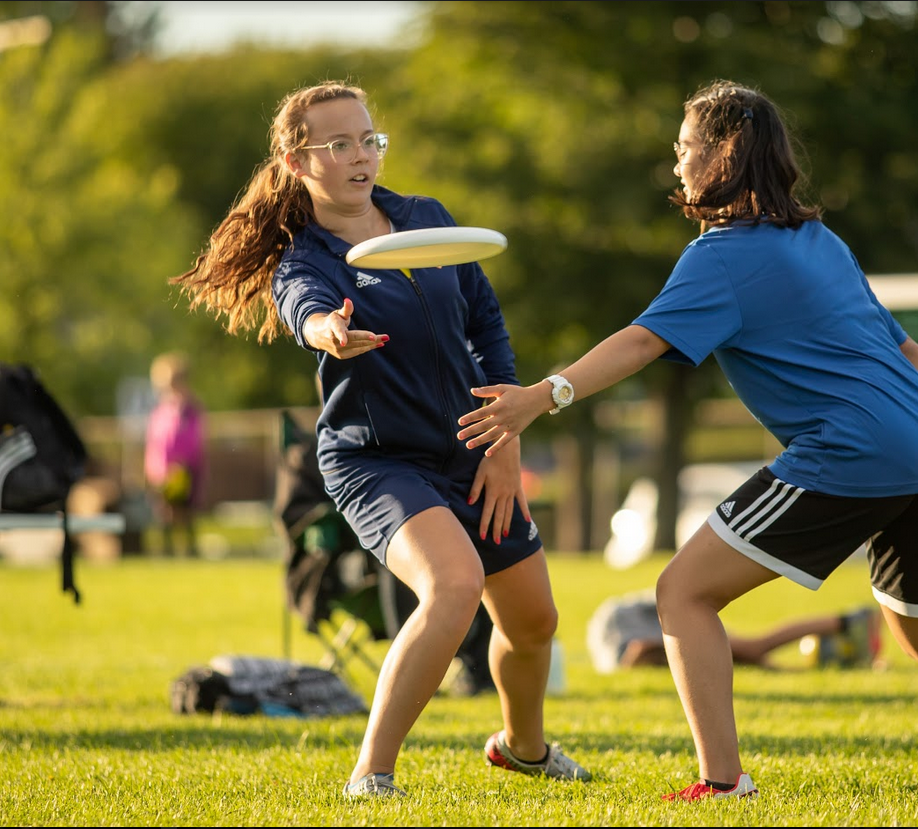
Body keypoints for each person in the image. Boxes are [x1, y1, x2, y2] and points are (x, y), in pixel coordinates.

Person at [456, 79, 918, 801]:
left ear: (724, 155)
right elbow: (906, 351)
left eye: (684, 148)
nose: (675, 163)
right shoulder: (819, 240)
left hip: (854, 449)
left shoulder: (719, 255)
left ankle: (721, 781)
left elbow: (643, 341)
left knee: (681, 593)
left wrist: (542, 394)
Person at [170, 81, 590, 798]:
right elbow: (303, 308)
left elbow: (484, 321)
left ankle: (523, 748)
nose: (361, 155)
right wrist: (328, 331)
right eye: (339, 145)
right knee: (453, 586)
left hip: (474, 444)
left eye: (369, 139)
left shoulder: (424, 220)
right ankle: (371, 773)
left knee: (532, 621)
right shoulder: (306, 258)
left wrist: (505, 434)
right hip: (377, 460)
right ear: (299, 161)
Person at [587, 589, 883, 673]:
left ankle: (849, 621)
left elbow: (639, 649)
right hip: (631, 633)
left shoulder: (630, 640)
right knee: (751, 657)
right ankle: (846, 640)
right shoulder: (630, 653)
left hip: (636, 618)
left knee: (754, 649)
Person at [144, 351, 206, 557]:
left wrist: (182, 463)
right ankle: (166, 552)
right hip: (161, 471)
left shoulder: (189, 409)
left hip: (184, 469)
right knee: (164, 513)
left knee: (184, 512)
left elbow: (193, 438)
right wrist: (153, 468)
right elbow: (155, 442)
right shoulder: (161, 410)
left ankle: (190, 550)